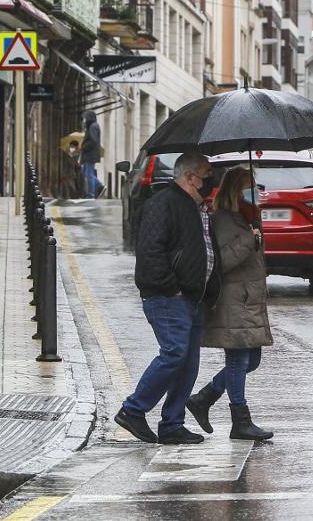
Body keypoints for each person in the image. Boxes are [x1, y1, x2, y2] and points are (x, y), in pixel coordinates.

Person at [114, 152, 220, 444]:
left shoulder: (198, 207)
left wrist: (210, 290)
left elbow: (208, 250)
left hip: (193, 297)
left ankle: (172, 424)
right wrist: (169, 286)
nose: (211, 180)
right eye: (206, 174)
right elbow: (150, 250)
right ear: (189, 178)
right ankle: (133, 410)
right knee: (174, 353)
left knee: (188, 363)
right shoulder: (164, 203)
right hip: (169, 296)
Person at [186, 167, 275, 441]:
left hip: (249, 301)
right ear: (236, 191)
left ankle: (204, 398)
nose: (256, 193)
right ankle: (240, 420)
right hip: (233, 301)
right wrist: (250, 239)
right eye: (250, 188)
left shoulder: (244, 219)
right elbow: (220, 262)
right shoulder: (223, 220)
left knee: (252, 360)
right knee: (238, 360)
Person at [81, 110, 102, 198]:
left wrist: (84, 147)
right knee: (84, 172)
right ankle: (99, 185)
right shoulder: (92, 126)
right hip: (89, 154)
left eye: (86, 118)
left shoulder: (93, 127)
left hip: (90, 154)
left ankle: (91, 193)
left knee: (89, 174)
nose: (85, 120)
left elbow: (93, 141)